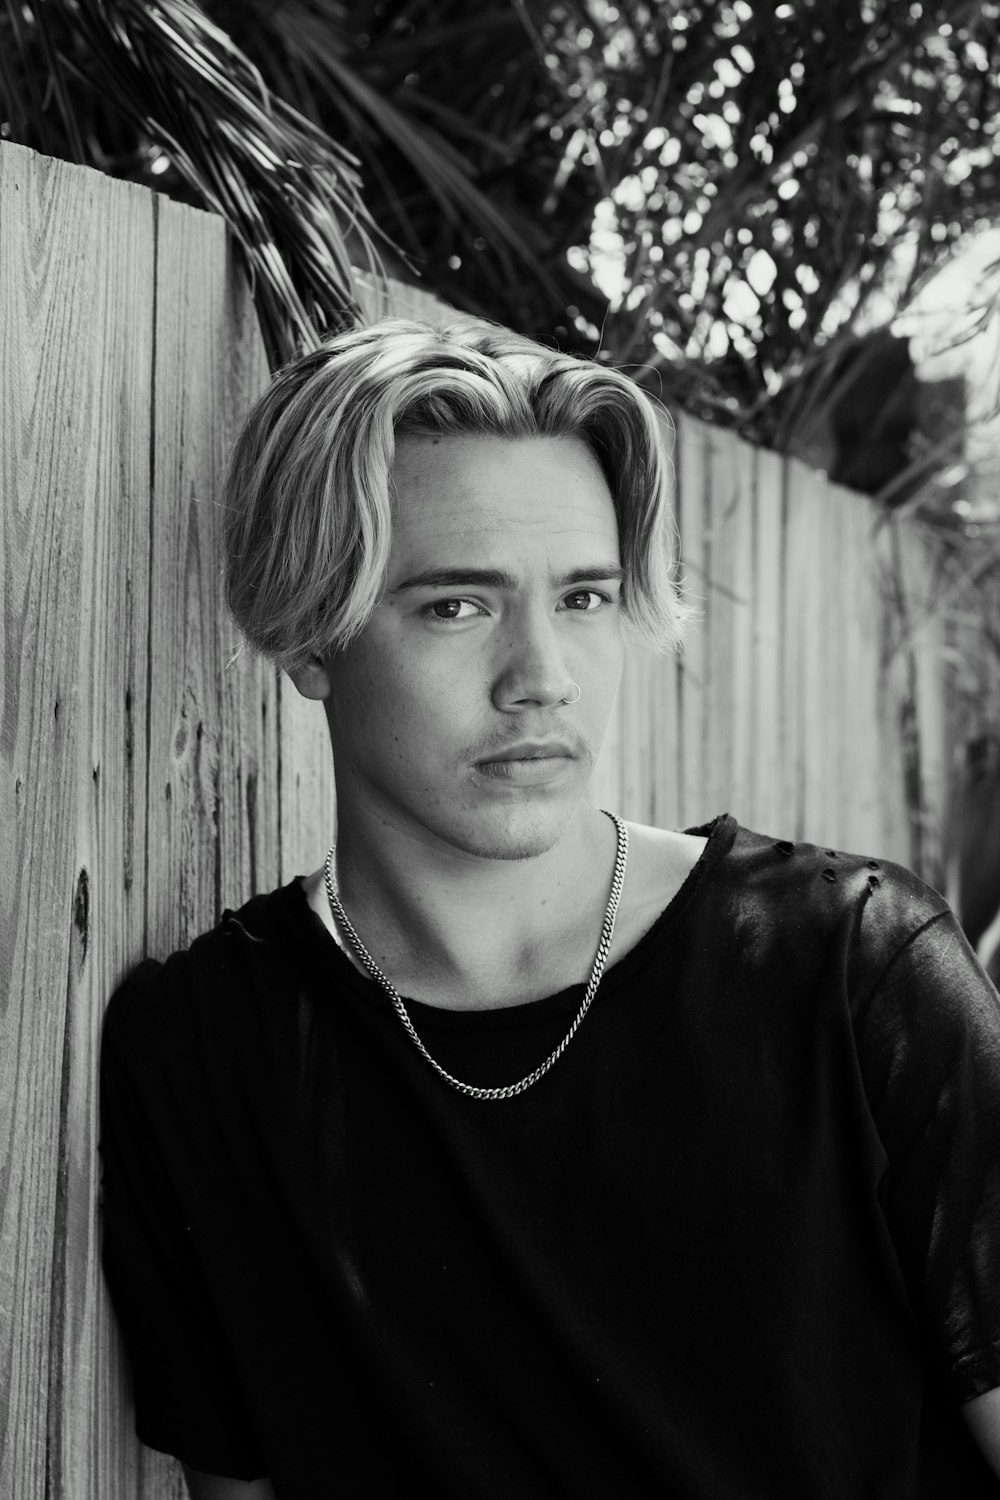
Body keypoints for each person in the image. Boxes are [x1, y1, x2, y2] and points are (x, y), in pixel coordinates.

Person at [99, 317, 1000, 1500]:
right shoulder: (205, 1056)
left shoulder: (850, 974)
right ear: (310, 631)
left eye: (581, 597)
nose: (542, 677)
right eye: (456, 606)